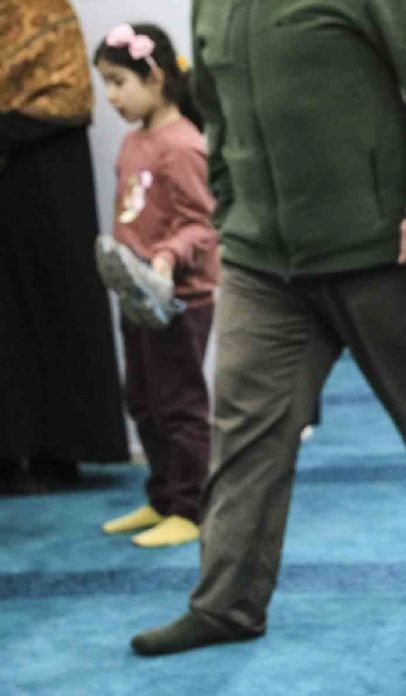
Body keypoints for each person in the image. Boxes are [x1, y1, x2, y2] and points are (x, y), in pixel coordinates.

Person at [130, 0, 406, 655]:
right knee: (242, 429)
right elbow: (214, 113)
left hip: (378, 249)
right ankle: (226, 604)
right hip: (262, 263)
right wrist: (232, 216)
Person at [92, 23, 219, 548]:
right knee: (142, 400)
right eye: (106, 84)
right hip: (136, 298)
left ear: (156, 76)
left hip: (179, 301)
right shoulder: (133, 142)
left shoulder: (183, 145)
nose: (112, 96)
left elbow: (202, 223)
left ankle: (189, 508)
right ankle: (161, 497)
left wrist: (166, 257)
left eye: (120, 82)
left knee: (179, 405)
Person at [0, 0, 128, 493]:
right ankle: (7, 457)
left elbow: (70, 97)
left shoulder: (48, 12)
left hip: (47, 183)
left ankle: (62, 452)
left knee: (58, 307)